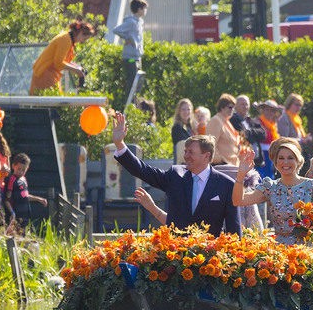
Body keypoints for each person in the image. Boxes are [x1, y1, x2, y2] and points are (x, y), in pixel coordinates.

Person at [112, 111, 240, 237]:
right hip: (175, 254)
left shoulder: (227, 185)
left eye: (191, 152)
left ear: (206, 156)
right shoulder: (175, 175)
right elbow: (143, 171)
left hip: (210, 255)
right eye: (185, 151)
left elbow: (234, 230)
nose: (186, 156)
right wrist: (120, 144)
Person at [233, 138, 313, 245]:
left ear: (298, 161)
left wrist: (308, 229)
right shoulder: (270, 187)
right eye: (281, 158)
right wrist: (241, 174)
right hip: (281, 251)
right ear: (276, 163)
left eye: (290, 158)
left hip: (309, 250)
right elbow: (238, 201)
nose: (285, 162)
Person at [29, 20, 96, 95]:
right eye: (84, 39)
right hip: (45, 74)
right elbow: (58, 62)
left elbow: (64, 60)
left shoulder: (68, 39)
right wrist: (76, 71)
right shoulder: (65, 39)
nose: (83, 41)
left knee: (57, 99)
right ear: (80, 33)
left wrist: (78, 67)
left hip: (50, 74)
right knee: (50, 103)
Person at [112, 0, 148, 104]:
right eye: (144, 8)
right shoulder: (131, 22)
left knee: (138, 82)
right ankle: (129, 104)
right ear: (139, 9)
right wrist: (127, 38)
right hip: (130, 58)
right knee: (132, 82)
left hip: (137, 57)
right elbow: (116, 30)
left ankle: (134, 103)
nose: (145, 11)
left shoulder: (139, 22)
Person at [2, 152, 48, 231]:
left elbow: (24, 196)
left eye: (23, 170)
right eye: (19, 169)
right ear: (13, 166)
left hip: (25, 214)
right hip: (15, 215)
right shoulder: (11, 180)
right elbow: (7, 199)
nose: (21, 172)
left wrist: (39, 199)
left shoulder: (23, 179)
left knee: (22, 236)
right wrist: (12, 213)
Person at [230, 96, 267, 172]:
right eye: (242, 104)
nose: (245, 107)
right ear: (235, 106)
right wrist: (254, 134)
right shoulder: (233, 120)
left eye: (246, 104)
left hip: (257, 162)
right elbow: (243, 136)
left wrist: (250, 132)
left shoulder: (250, 120)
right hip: (242, 162)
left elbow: (263, 134)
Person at [205, 94, 241, 166]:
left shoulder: (226, 121)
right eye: (230, 107)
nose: (232, 110)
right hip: (221, 166)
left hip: (232, 165)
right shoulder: (216, 121)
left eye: (234, 108)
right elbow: (210, 145)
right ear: (222, 107)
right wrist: (220, 161)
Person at [255, 99, 284, 179]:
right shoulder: (258, 121)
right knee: (261, 176)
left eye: (272, 111)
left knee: (270, 176)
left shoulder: (273, 124)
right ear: (263, 110)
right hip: (261, 154)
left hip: (271, 154)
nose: (269, 112)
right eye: (267, 110)